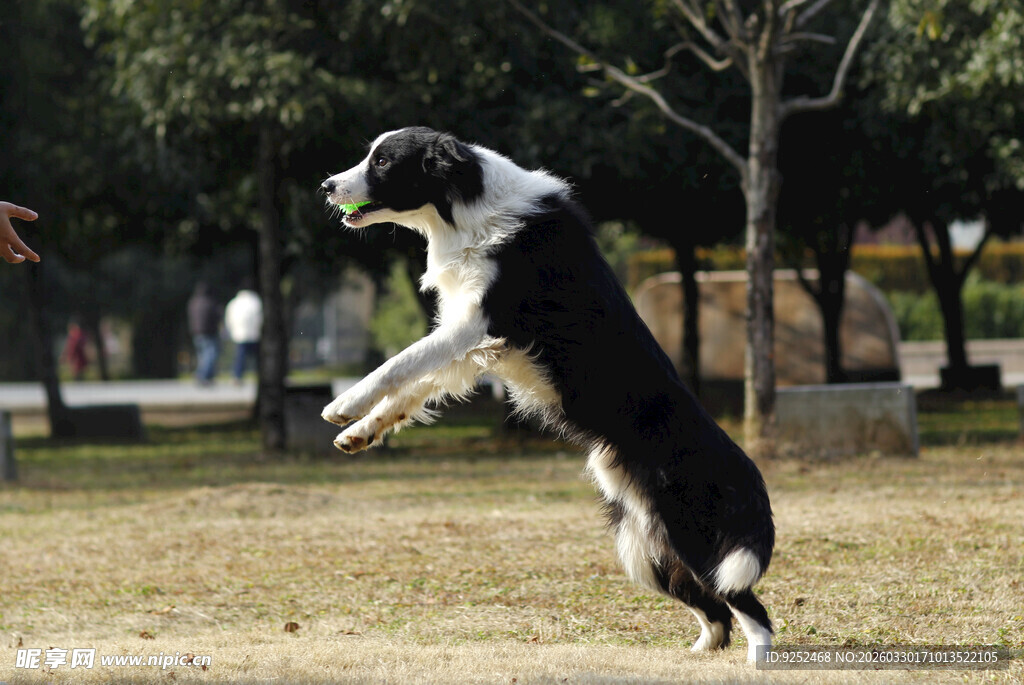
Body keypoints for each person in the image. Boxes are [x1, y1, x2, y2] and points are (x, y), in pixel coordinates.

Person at [224, 280, 262, 382]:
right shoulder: (256, 301)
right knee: (258, 358)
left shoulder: (234, 302)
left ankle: (237, 376)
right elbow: (260, 318)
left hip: (239, 334)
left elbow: (229, 319)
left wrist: (231, 331)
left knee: (240, 357)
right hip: (254, 334)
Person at [188, 282, 221, 385]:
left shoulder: (193, 302)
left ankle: (205, 375)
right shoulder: (210, 303)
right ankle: (203, 375)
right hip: (209, 332)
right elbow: (217, 317)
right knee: (210, 355)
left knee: (202, 356)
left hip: (196, 332)